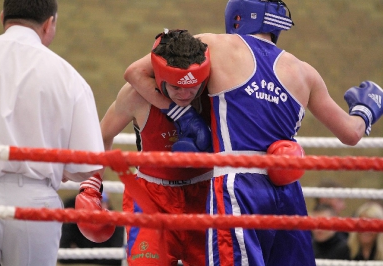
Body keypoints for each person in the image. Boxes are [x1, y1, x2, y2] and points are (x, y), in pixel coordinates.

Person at [124, 0, 383, 265]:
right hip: (288, 192)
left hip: (238, 186)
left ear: (237, 16)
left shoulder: (216, 45)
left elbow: (135, 72)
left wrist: (183, 114)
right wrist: (366, 108)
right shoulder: (305, 72)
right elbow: (352, 134)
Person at [0, 0, 104, 265]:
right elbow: (88, 165)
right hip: (34, 201)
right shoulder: (67, 76)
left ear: (3, 17)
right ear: (49, 24)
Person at [101, 29, 213, 265]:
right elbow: (101, 136)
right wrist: (92, 186)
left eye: (192, 87)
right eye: (176, 87)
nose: (185, 94)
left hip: (206, 196)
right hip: (151, 199)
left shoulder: (216, 94)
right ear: (160, 79)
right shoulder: (136, 96)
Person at [59, 191, 125, 266]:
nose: (97, 207)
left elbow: (117, 259)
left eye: (101, 202)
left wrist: (79, 254)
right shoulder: (74, 222)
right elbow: (63, 256)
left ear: (108, 204)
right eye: (92, 203)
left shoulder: (115, 223)